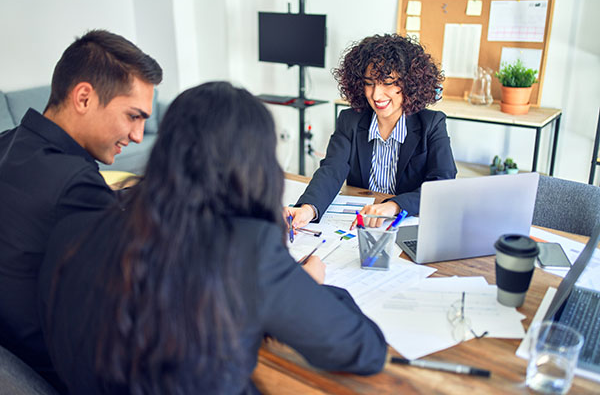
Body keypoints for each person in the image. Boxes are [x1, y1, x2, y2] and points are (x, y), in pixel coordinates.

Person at [38, 82, 387, 394]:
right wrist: (307, 287)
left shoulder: (81, 225)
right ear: (257, 165)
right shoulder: (250, 250)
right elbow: (363, 350)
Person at [0, 29, 162, 389]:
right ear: (84, 97)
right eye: (133, 116)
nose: (138, 135)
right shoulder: (76, 184)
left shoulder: (9, 144)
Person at [287, 33, 457, 229]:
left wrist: (394, 206)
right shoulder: (350, 120)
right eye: (369, 83)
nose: (376, 94)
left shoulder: (432, 124)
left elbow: (442, 184)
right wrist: (308, 209)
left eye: (387, 82)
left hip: (404, 223)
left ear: (409, 83)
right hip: (360, 223)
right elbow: (332, 170)